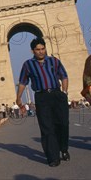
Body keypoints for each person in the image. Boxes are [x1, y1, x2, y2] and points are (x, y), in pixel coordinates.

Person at [16, 37, 70, 167]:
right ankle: (53, 157)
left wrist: (65, 91)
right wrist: (18, 98)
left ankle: (63, 148)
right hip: (41, 97)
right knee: (47, 127)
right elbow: (23, 82)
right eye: (37, 50)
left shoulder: (54, 61)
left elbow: (64, 76)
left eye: (42, 49)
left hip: (57, 94)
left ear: (45, 48)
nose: (41, 52)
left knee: (62, 124)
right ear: (32, 51)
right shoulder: (28, 64)